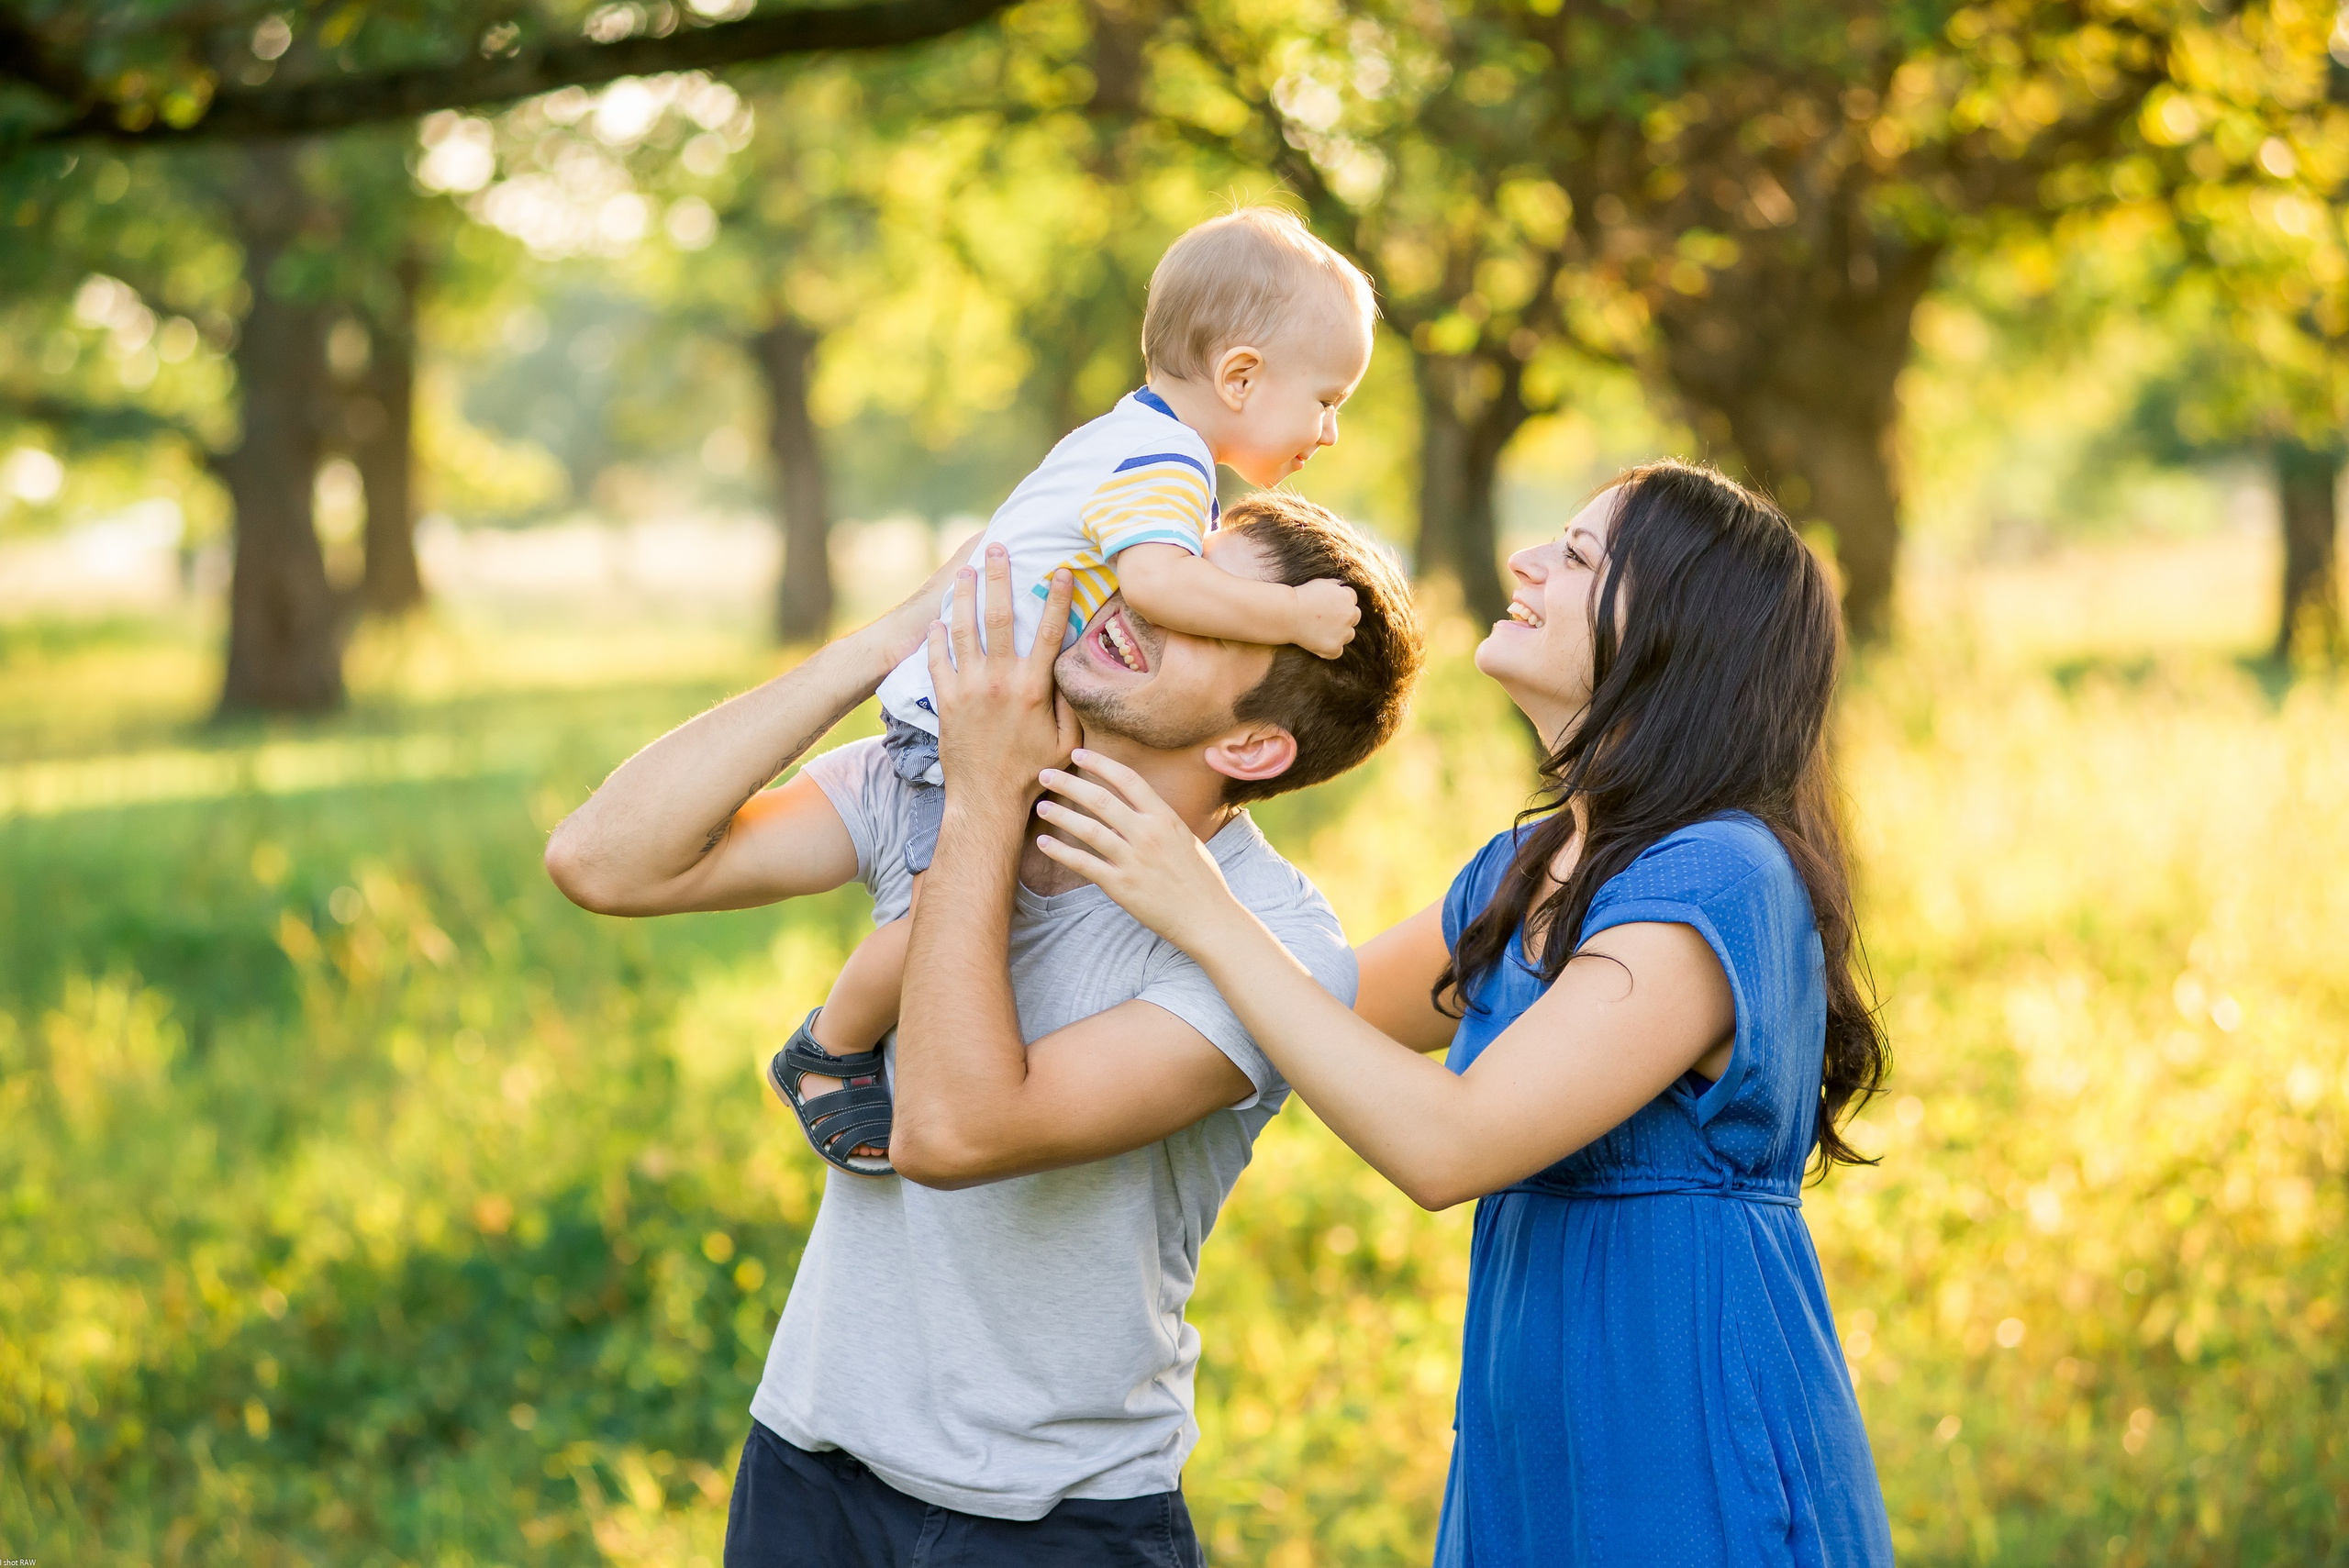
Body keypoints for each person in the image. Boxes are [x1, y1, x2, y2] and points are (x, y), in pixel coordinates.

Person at [1023, 461, 1898, 1565]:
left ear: (1674, 637)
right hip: (1530, 1426)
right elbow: (1311, 1008)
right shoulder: (1525, 869)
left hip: (1685, 1432)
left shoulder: (1720, 873)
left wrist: (1203, 906)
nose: (1527, 560)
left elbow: (1449, 1143)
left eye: (1577, 556)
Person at [541, 492, 1423, 1566]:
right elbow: (602, 859)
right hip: (810, 1462)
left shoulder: (1273, 942)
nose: (1143, 601)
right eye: (1170, 567)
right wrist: (891, 637)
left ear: (1249, 745)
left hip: (1056, 1520)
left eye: (1208, 616)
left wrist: (983, 803)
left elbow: (954, 1133)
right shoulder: (927, 778)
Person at [782, 206, 1381, 1173]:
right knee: (958, 904)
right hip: (969, 708)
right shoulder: (1164, 464)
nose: (1331, 428)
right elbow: (1156, 583)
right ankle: (833, 1048)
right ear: (1239, 377)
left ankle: (840, 1038)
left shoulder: (1126, 439)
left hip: (976, 686)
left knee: (970, 893)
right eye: (1324, 398)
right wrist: (1296, 616)